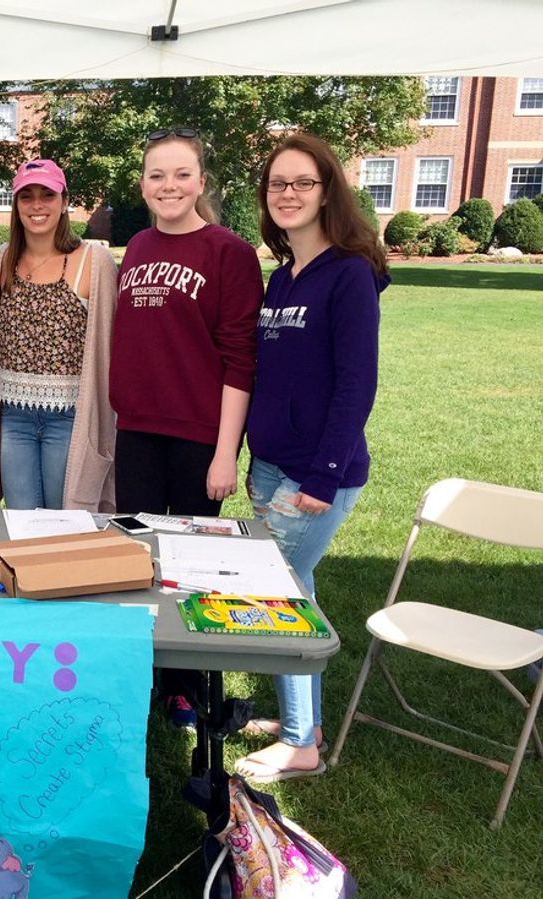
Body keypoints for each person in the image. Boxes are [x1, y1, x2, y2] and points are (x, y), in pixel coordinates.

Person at [234, 132, 385, 784]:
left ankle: (301, 744)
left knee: (276, 594)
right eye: (277, 184)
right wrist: (253, 455)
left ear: (328, 192)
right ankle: (307, 722)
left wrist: (323, 472)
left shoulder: (348, 276)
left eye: (301, 182)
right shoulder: (283, 276)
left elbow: (356, 381)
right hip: (272, 463)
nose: (287, 193)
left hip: (316, 471)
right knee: (299, 586)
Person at [110, 127, 263, 518]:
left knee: (188, 562)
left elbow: (241, 362)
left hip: (197, 439)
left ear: (201, 182)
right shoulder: (137, 247)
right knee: (136, 552)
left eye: (181, 174)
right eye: (156, 176)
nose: (168, 186)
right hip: (135, 433)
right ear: (143, 185)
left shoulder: (231, 253)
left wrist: (226, 453)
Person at [0, 159, 118, 511]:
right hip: (13, 417)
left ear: (64, 201)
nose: (37, 205)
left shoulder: (93, 259)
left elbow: (110, 346)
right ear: (15, 205)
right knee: (22, 521)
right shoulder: (4, 259)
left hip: (70, 418)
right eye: (26, 196)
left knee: (67, 523)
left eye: (47, 194)